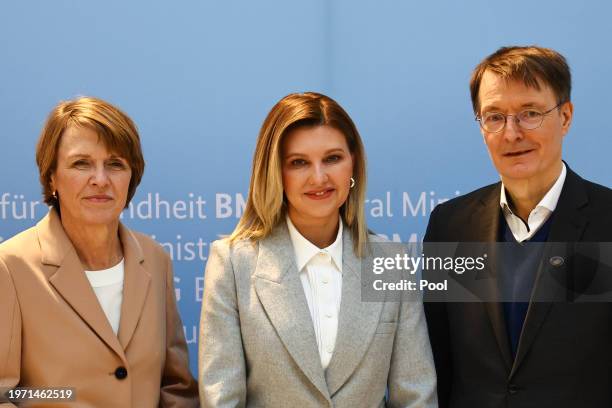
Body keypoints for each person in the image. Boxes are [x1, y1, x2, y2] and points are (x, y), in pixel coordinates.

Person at [199, 92, 436, 407]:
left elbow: (416, 395)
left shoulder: (392, 262)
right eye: (299, 163)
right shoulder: (232, 262)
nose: (319, 177)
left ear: (353, 164)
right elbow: (222, 399)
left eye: (333, 158)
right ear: (275, 172)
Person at [424, 46, 612, 407]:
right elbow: (439, 359)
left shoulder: (607, 221)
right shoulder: (450, 225)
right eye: (494, 117)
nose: (511, 133)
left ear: (566, 116)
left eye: (530, 113)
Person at [0, 97, 199, 407]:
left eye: (115, 164)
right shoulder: (10, 266)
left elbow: (175, 387)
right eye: (81, 163)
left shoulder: (155, 258)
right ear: (51, 176)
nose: (101, 180)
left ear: (132, 176)